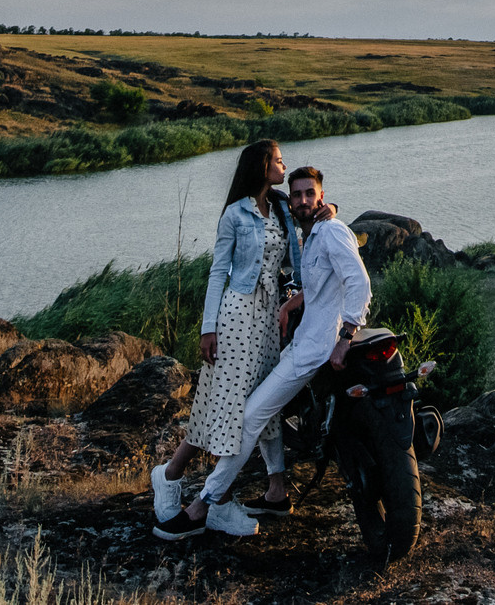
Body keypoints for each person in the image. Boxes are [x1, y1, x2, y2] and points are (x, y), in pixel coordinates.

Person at [155, 164, 369, 539]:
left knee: (250, 416)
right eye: (297, 193)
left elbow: (359, 280)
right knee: (258, 410)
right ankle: (275, 493)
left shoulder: (330, 230)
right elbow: (321, 282)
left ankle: (203, 505)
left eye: (310, 194)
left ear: (320, 196)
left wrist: (346, 335)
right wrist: (290, 305)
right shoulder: (303, 225)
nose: (302, 200)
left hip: (313, 351)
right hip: (288, 337)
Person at [152, 139, 305, 530]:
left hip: (269, 319)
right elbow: (218, 272)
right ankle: (208, 494)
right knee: (231, 405)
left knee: (265, 401)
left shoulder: (283, 208)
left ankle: (275, 488)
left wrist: (329, 211)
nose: (283, 165)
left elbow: (313, 216)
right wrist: (208, 329)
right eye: (278, 160)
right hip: (236, 317)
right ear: (261, 166)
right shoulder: (235, 215)